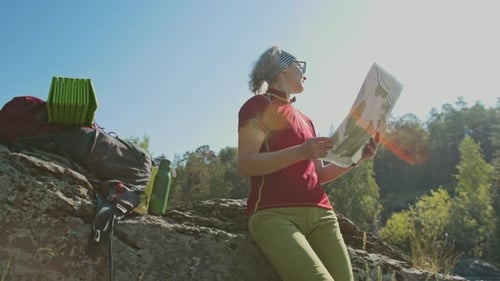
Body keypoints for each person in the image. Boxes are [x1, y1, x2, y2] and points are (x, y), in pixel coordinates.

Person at [237, 46, 379, 281]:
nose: (304, 73)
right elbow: (246, 164)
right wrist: (301, 151)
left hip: (322, 214)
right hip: (274, 214)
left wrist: (357, 158)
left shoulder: (307, 121)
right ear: (282, 68)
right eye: (299, 66)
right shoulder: (257, 106)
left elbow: (319, 175)